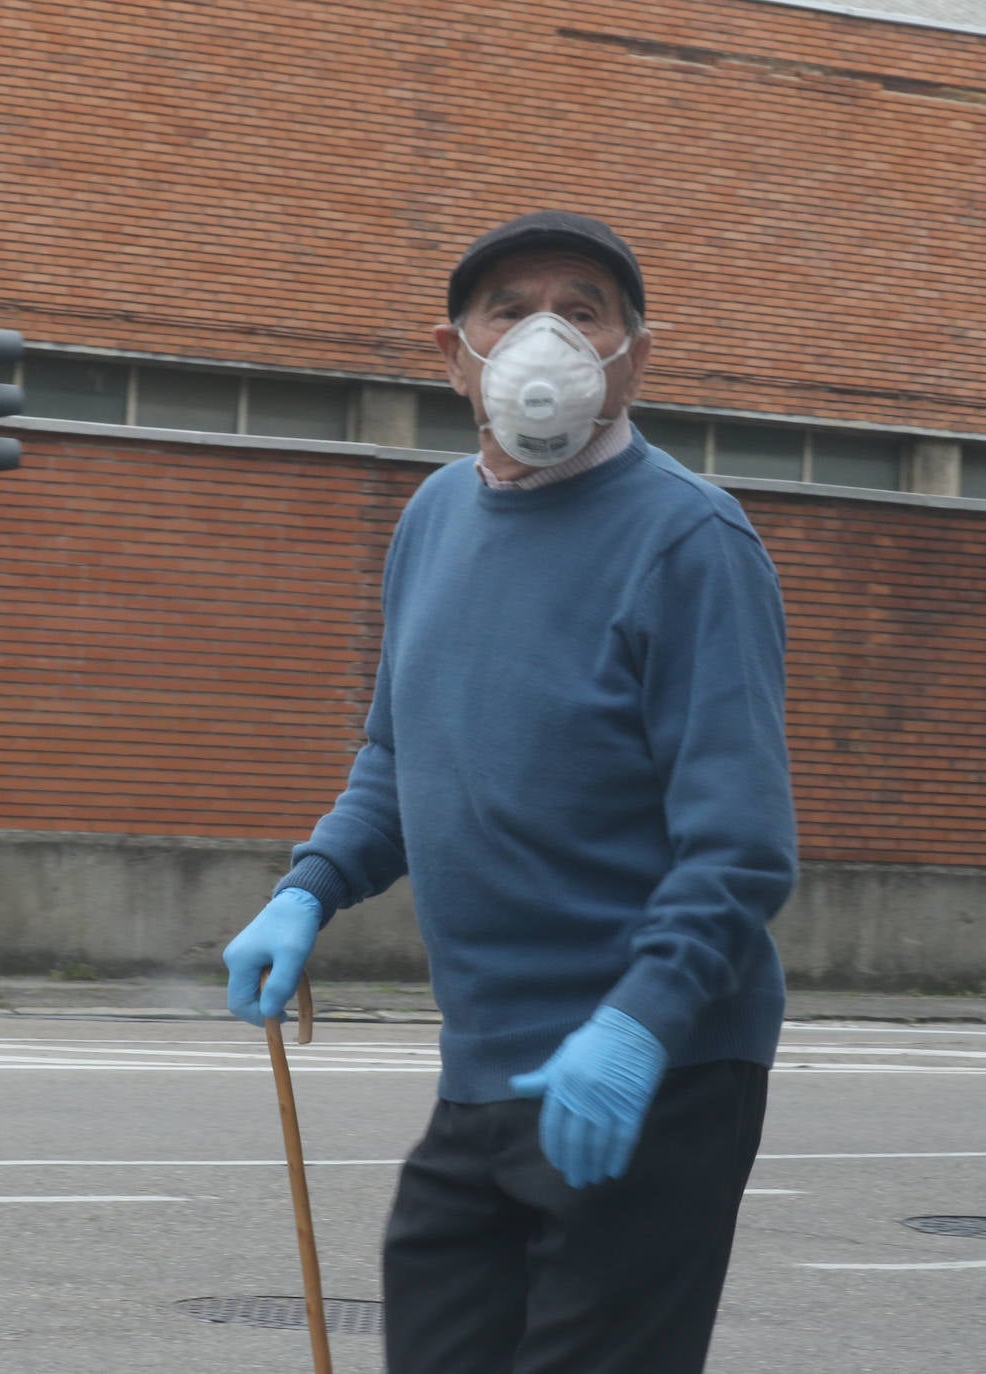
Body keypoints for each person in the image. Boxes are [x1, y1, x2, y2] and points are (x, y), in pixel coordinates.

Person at [223, 209, 797, 1374]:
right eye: (511, 309)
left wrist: (637, 1028)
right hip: (484, 1067)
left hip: (655, 1070)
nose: (547, 334)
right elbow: (396, 753)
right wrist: (309, 887)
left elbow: (737, 844)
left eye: (581, 310)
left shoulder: (690, 541)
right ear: (454, 354)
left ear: (633, 354)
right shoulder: (431, 518)